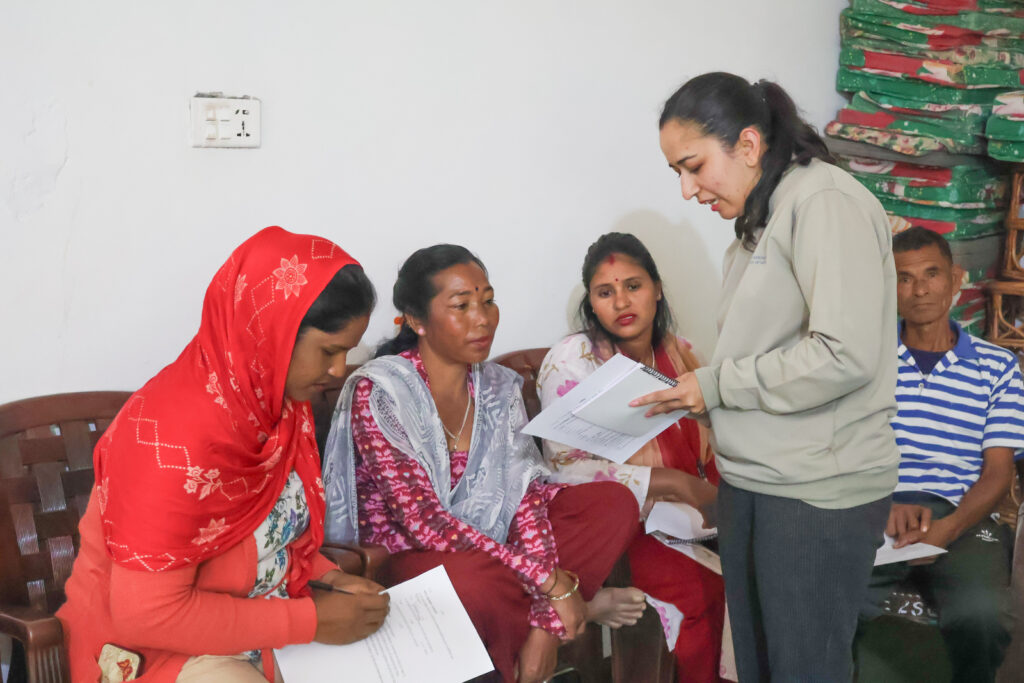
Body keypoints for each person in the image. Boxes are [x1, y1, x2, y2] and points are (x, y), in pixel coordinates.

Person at [633, 72, 900, 681]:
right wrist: (703, 398)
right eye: (676, 171)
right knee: (758, 668)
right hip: (755, 483)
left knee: (803, 668)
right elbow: (772, 352)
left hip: (815, 492)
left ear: (748, 146)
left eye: (694, 166)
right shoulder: (762, 218)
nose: (686, 188)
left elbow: (844, 354)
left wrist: (719, 386)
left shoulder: (823, 203)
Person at [57, 227, 390, 683]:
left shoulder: (276, 408)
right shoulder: (171, 440)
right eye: (329, 351)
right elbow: (147, 616)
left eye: (348, 352)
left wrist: (328, 578)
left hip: (262, 625)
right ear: (271, 333)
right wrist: (312, 621)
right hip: (158, 652)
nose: (337, 371)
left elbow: (269, 536)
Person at [322, 244, 639, 683]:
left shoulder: (499, 387)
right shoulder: (382, 392)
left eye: (488, 300)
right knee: (474, 582)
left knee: (610, 503)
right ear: (417, 320)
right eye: (462, 305)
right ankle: (575, 608)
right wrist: (551, 582)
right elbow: (423, 523)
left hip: (496, 553)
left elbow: (523, 497)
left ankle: (545, 629)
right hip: (414, 556)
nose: (483, 317)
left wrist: (545, 623)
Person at [537, 231, 728, 681]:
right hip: (629, 528)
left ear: (657, 290)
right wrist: (678, 485)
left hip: (702, 515)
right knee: (703, 595)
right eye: (606, 292)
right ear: (592, 302)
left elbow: (718, 441)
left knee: (768, 573)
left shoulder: (682, 354)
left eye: (634, 286)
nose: (622, 301)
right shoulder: (573, 361)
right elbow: (566, 470)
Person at [859, 226, 1024, 682]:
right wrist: (880, 506)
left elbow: (997, 473)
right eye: (904, 278)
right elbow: (844, 448)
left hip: (961, 513)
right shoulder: (866, 360)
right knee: (829, 603)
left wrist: (947, 529)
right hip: (878, 508)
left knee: (983, 617)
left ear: (956, 280)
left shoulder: (997, 366)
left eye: (931, 274)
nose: (919, 289)